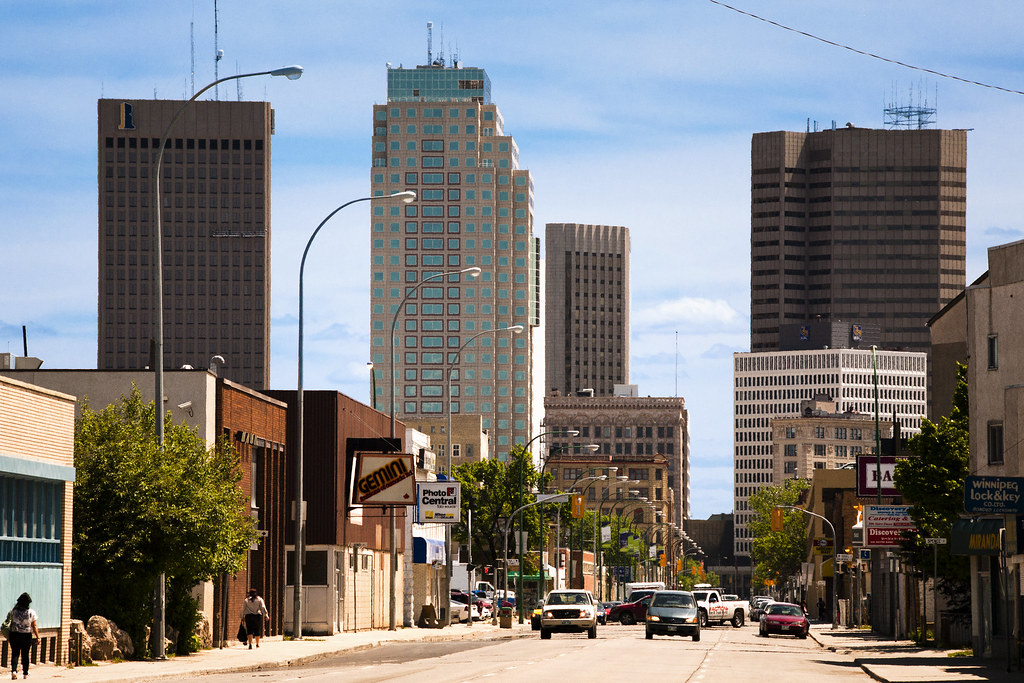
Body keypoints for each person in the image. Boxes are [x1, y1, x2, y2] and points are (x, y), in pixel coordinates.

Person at [7, 593, 39, 680]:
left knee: (15, 653)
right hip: (26, 635)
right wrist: (37, 637)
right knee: (25, 654)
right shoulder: (31, 612)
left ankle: (14, 671)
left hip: (14, 634)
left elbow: (8, 624)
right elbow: (34, 626)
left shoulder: (13, 611)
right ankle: (25, 673)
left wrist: (8, 636)